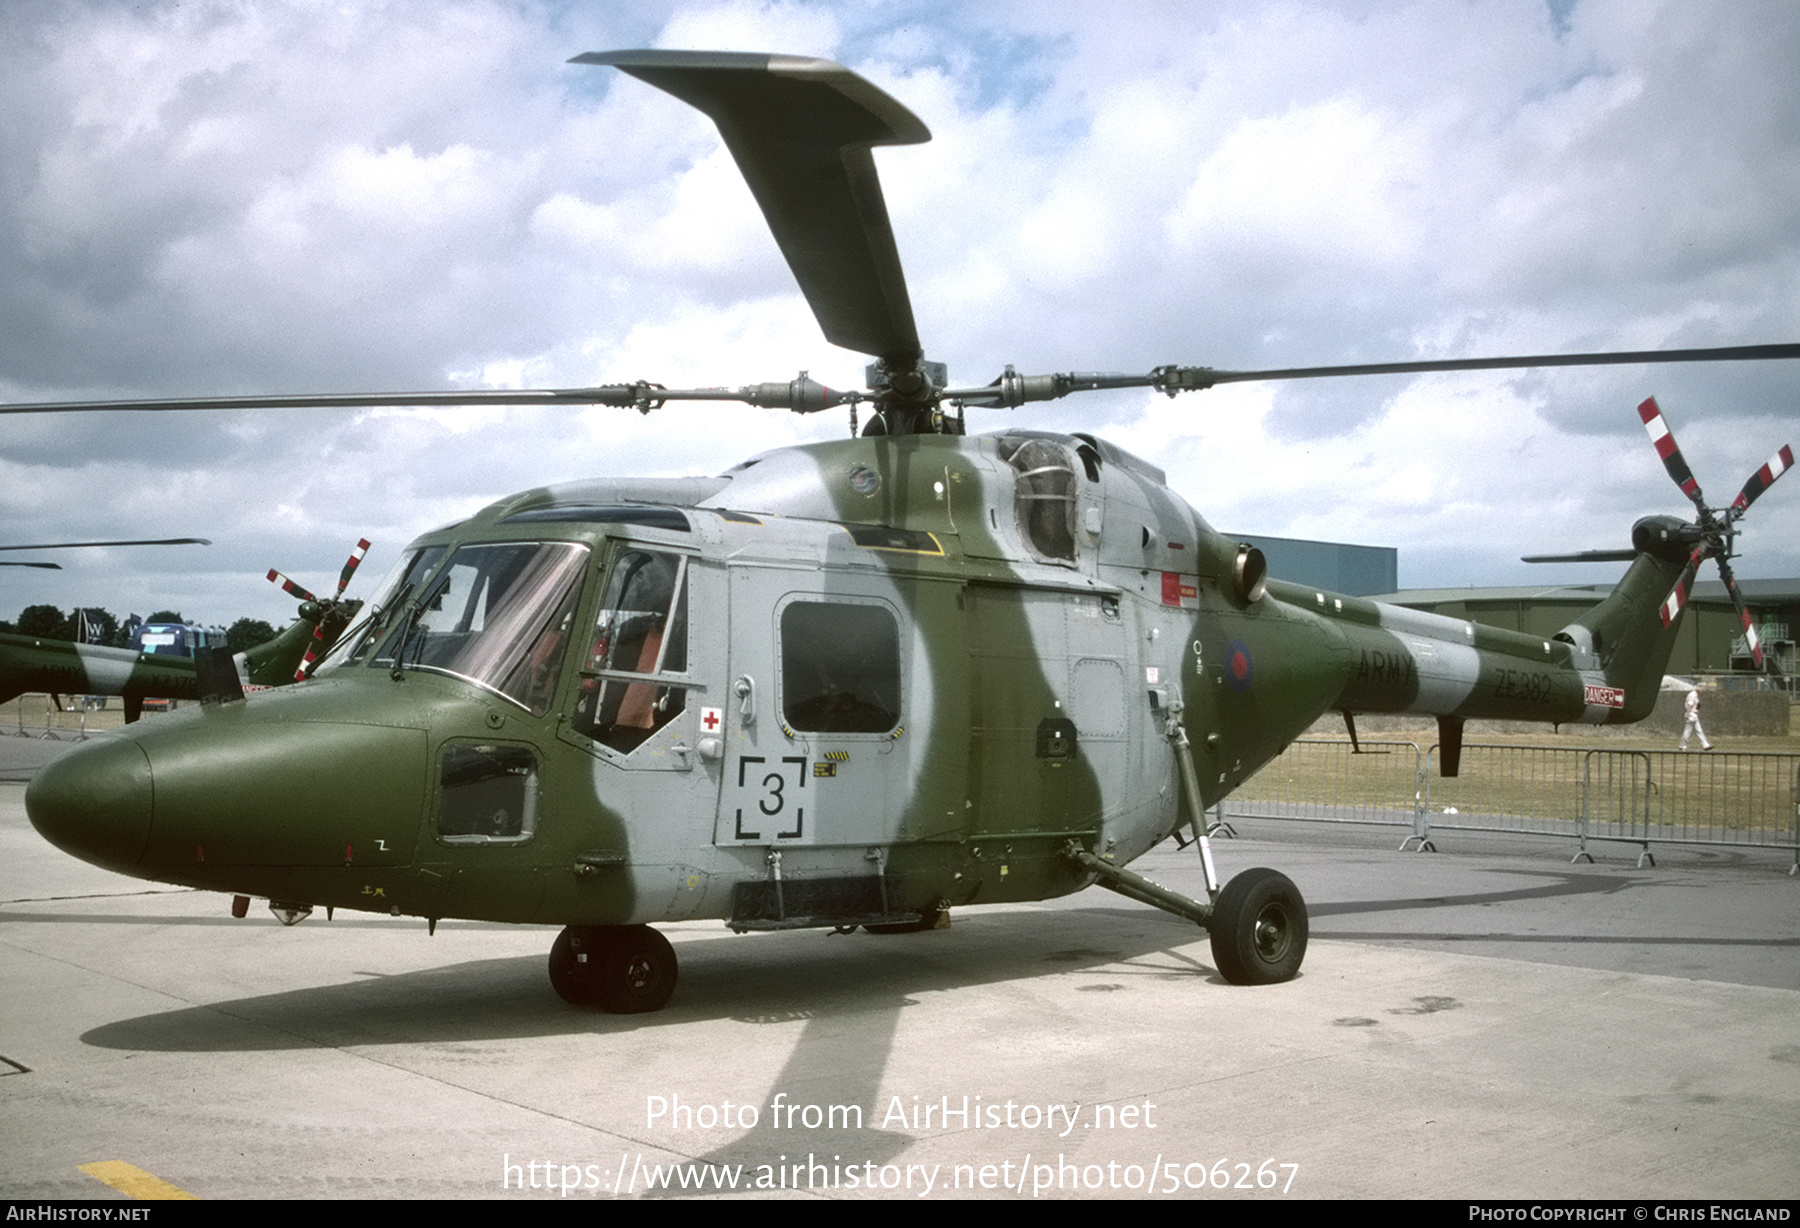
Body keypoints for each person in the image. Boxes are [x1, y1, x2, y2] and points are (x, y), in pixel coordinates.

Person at [1678, 686, 1712, 751]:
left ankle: (1705, 745)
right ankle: (1682, 746)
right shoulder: (1692, 695)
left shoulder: (1695, 694)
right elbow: (1689, 704)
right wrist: (1688, 714)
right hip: (1691, 714)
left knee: (1699, 730)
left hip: (1694, 714)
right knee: (1688, 731)